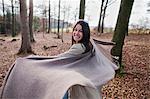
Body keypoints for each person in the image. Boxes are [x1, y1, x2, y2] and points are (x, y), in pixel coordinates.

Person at [0, 20, 118, 99]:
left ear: (85, 33)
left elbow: (60, 58)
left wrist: (35, 59)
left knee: (58, 87)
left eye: (80, 31)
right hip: (74, 77)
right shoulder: (88, 46)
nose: (76, 33)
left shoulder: (79, 47)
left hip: (72, 78)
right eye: (75, 30)